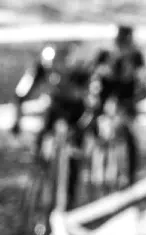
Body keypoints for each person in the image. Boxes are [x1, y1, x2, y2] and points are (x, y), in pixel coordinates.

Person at [83, 23, 145, 185]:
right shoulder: (106, 53)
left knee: (129, 134)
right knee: (93, 125)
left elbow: (141, 79)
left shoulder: (135, 55)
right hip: (106, 96)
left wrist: (135, 98)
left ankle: (129, 175)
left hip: (126, 98)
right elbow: (91, 75)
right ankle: (90, 164)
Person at [11, 42, 92, 158]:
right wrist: (17, 121)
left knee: (78, 134)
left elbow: (89, 92)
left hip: (74, 108)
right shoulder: (43, 68)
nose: (59, 75)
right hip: (57, 106)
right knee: (45, 135)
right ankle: (41, 156)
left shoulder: (79, 69)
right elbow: (21, 95)